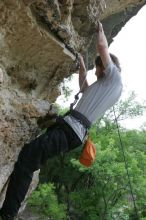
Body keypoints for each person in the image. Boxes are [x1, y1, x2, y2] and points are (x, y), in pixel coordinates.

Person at [0, 21, 123, 220]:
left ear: (105, 67)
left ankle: (8, 214)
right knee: (30, 157)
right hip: (70, 131)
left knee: (27, 160)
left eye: (97, 68)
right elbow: (84, 86)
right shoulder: (105, 87)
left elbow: (102, 48)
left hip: (70, 130)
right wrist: (83, 65)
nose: (96, 72)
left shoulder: (114, 78)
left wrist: (100, 30)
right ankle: (9, 210)